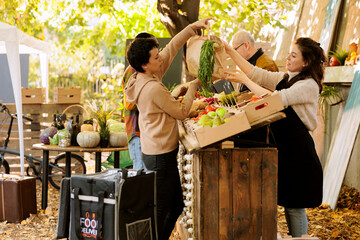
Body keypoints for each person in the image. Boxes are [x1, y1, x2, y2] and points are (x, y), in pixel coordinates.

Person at [125, 17, 216, 240]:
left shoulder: (142, 76)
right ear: (145, 64)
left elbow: (172, 47)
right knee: (164, 208)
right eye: (156, 57)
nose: (161, 58)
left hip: (156, 152)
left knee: (174, 205)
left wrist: (192, 28)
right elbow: (182, 112)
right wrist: (193, 86)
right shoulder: (153, 87)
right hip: (160, 157)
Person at [224, 37, 325, 237]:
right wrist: (228, 50)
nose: (287, 58)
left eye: (293, 55)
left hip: (300, 153)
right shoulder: (287, 78)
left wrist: (245, 81)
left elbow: (274, 101)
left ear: (305, 62)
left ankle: (300, 238)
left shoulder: (308, 85)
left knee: (295, 206)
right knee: (289, 202)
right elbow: (255, 73)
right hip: (286, 150)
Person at [121, 32, 157, 171]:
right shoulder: (132, 71)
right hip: (137, 131)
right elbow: (129, 103)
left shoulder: (142, 70)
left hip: (143, 131)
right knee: (140, 174)